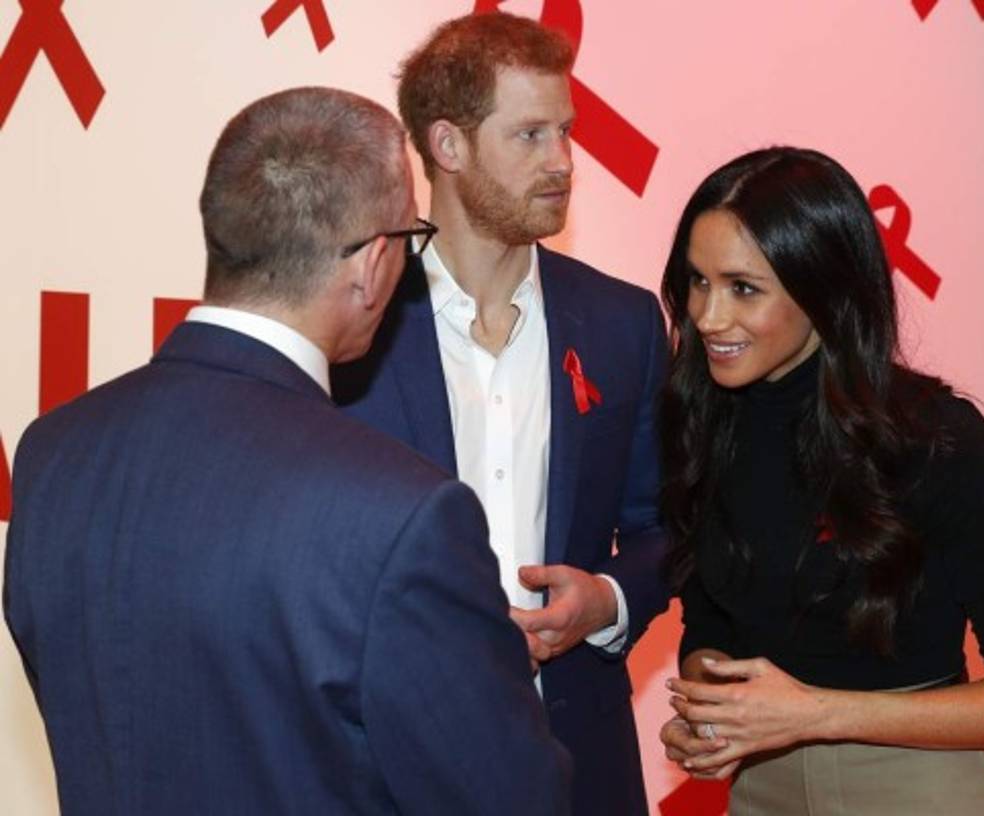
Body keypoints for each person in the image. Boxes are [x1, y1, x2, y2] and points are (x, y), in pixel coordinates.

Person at [4, 86, 570, 815]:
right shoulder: (403, 516)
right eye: (409, 242)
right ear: (370, 266)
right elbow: (513, 798)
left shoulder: (54, 453)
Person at [656, 147, 984, 815]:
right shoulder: (699, 423)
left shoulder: (937, 442)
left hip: (921, 789)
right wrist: (715, 709)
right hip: (760, 790)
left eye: (743, 288)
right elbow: (710, 623)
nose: (707, 316)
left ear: (824, 293)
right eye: (697, 282)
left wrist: (815, 714)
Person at [333, 13, 669, 815]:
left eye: (566, 131)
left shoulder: (622, 322)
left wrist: (607, 600)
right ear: (447, 146)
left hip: (580, 762)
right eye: (529, 136)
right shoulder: (352, 322)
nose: (563, 163)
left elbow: (668, 524)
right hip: (385, 765)